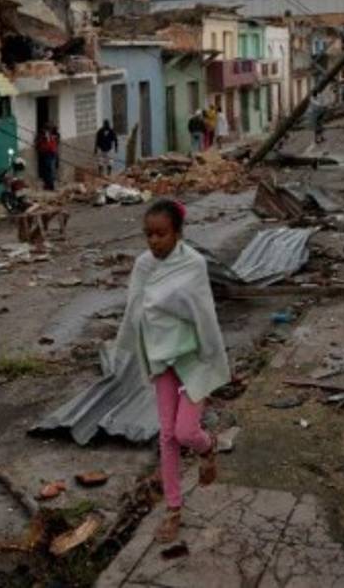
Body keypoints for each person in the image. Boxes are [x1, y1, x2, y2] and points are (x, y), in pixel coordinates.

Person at [113, 199, 230, 544]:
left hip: (193, 359)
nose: (154, 241)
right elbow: (136, 308)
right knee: (166, 435)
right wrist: (137, 349)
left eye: (161, 234)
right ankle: (173, 508)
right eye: (148, 234)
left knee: (185, 432)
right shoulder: (142, 265)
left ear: (178, 233)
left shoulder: (193, 264)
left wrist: (213, 358)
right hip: (162, 360)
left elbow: (203, 313)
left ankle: (207, 448)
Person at [37, 124, 60, 191]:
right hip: (47, 153)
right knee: (47, 170)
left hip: (50, 153)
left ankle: (50, 185)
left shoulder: (52, 136)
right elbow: (40, 144)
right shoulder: (43, 136)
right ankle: (48, 184)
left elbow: (53, 144)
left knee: (50, 169)